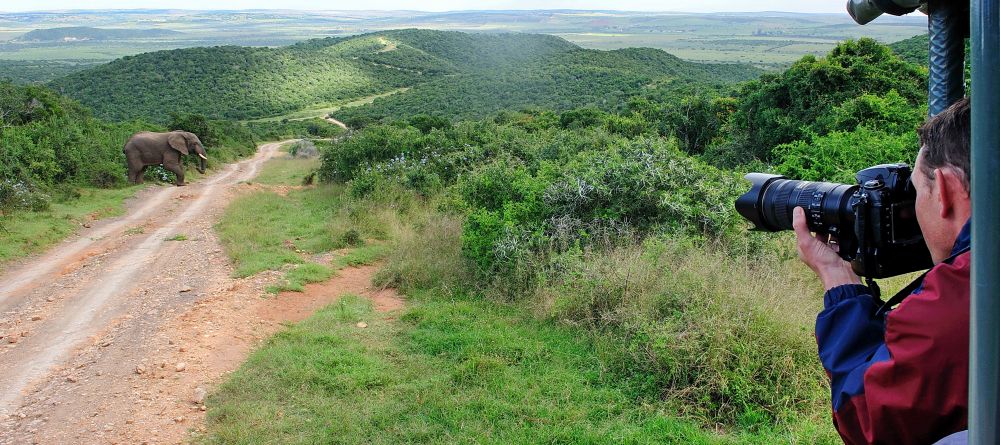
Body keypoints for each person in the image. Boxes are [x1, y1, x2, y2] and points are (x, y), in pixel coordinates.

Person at [792, 97, 972, 445]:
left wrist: (839, 283)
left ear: (946, 191)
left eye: (920, 191)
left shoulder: (970, 291)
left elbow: (866, 418)